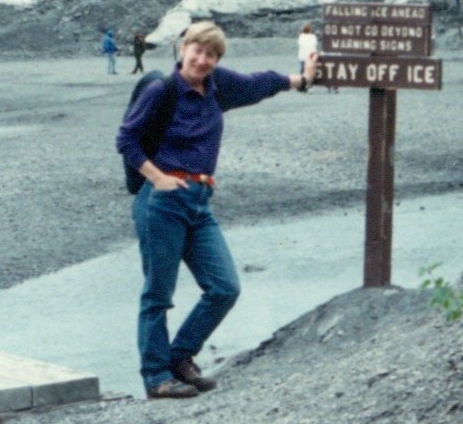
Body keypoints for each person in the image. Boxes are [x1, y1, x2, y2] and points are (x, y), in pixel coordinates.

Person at [116, 20, 319, 400]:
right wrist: (157, 178)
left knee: (224, 287)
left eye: (211, 54)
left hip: (198, 201)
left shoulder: (217, 87)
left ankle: (179, 358)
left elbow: (261, 82)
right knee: (158, 294)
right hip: (162, 201)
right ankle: (156, 377)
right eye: (198, 50)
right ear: (183, 49)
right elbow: (126, 138)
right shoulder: (162, 90)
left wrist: (303, 79)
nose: (203, 59)